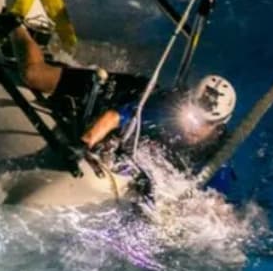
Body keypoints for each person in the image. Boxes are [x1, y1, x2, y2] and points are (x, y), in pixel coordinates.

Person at [79, 74, 240, 196]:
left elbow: (215, 211)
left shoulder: (218, 165)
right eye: (194, 117)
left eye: (206, 123)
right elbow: (117, 116)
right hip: (130, 93)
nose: (194, 127)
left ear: (218, 127)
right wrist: (87, 141)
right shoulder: (168, 111)